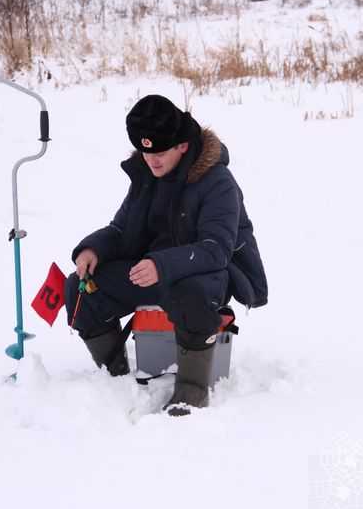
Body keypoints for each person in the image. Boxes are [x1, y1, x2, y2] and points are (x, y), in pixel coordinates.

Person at [65, 94, 267, 416]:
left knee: (190, 295)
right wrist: (92, 248)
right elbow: (121, 230)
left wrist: (162, 265)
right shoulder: (146, 176)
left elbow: (216, 249)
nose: (151, 160)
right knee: (83, 288)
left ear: (183, 146)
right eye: (145, 152)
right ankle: (116, 381)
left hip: (208, 272)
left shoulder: (218, 182)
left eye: (159, 152)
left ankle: (191, 393)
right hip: (151, 269)